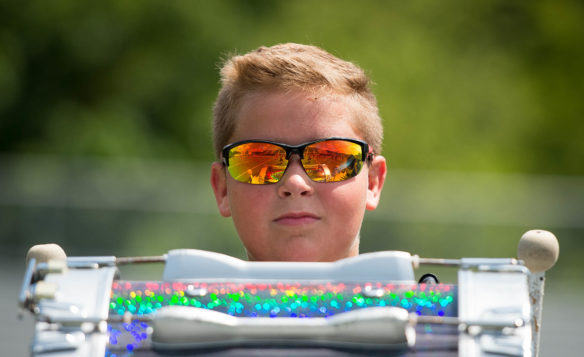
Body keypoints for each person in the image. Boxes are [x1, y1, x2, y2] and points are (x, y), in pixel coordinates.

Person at [210, 43, 387, 262]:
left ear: (372, 182)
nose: (295, 182)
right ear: (223, 188)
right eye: (259, 160)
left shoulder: (433, 297)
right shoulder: (169, 297)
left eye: (329, 158)